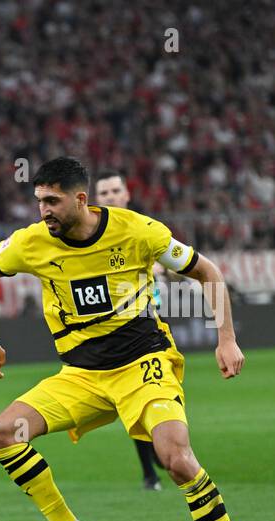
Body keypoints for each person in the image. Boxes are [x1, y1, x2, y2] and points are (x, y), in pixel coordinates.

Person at [0, 156, 275, 521]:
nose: (44, 211)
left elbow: (206, 271)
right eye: (39, 201)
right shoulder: (31, 243)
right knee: (2, 434)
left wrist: (225, 338)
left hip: (143, 367)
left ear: (80, 198)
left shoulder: (137, 231)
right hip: (80, 375)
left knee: (177, 459)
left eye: (52, 201)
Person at [94, 170, 165, 491]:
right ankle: (150, 472)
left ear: (127, 195)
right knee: (131, 406)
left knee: (157, 403)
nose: (110, 196)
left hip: (152, 328)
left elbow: (179, 263)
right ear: (96, 200)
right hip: (114, 334)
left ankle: (161, 460)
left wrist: (164, 271)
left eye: (115, 190)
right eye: (104, 192)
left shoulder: (145, 231)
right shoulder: (91, 238)